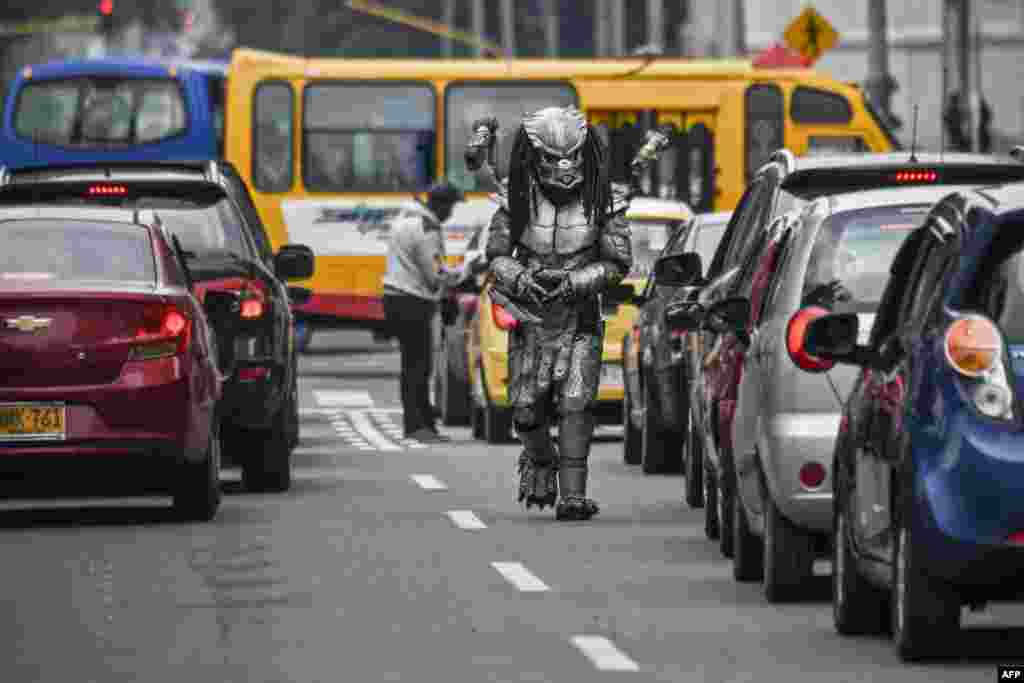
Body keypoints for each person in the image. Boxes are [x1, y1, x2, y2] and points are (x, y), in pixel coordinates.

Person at [474, 107, 633, 521]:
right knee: (526, 410)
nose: (563, 169)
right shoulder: (513, 198)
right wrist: (523, 277)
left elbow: (618, 263)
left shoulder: (606, 202)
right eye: (551, 159)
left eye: (572, 158)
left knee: (576, 403)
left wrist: (576, 282)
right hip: (530, 318)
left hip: (579, 316)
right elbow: (494, 257)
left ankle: (574, 495)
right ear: (534, 157)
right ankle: (540, 461)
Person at [382, 182, 465, 443]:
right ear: (439, 205)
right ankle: (418, 426)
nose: (450, 214)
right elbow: (434, 276)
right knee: (419, 367)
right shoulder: (426, 229)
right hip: (413, 302)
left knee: (411, 365)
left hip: (395, 298)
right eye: (450, 207)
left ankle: (420, 423)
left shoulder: (405, 219)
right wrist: (462, 274)